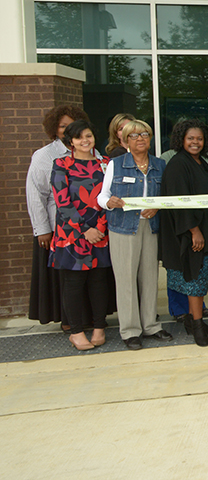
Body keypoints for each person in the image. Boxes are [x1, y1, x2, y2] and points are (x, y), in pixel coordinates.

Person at [98, 119, 172, 350]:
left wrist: (158, 206)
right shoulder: (116, 164)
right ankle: (130, 331)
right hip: (122, 228)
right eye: (134, 135)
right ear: (126, 140)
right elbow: (102, 195)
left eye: (145, 134)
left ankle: (150, 325)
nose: (140, 139)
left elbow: (167, 196)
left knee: (150, 278)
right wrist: (108, 202)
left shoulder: (160, 165)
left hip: (150, 227)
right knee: (126, 279)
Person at [49, 120, 113, 351]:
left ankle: (99, 327)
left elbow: (111, 197)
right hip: (73, 234)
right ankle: (76, 332)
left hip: (100, 231)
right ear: (70, 142)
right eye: (79, 138)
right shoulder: (62, 164)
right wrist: (85, 229)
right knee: (74, 283)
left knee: (99, 282)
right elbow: (62, 201)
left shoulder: (105, 163)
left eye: (88, 135)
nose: (85, 141)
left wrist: (101, 228)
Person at [26, 104, 89, 328]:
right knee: (65, 277)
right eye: (63, 126)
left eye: (72, 125)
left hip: (88, 227)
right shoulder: (44, 156)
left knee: (87, 276)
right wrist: (42, 229)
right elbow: (36, 195)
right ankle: (69, 321)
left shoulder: (90, 152)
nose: (67, 130)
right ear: (55, 129)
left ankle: (87, 317)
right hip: (58, 228)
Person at [159, 119, 208, 347]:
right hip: (188, 233)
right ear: (181, 139)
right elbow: (179, 201)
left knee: (201, 280)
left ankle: (196, 321)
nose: (195, 142)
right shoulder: (177, 164)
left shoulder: (201, 162)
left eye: (199, 138)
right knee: (193, 280)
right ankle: (197, 326)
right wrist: (194, 230)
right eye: (191, 138)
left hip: (202, 228)